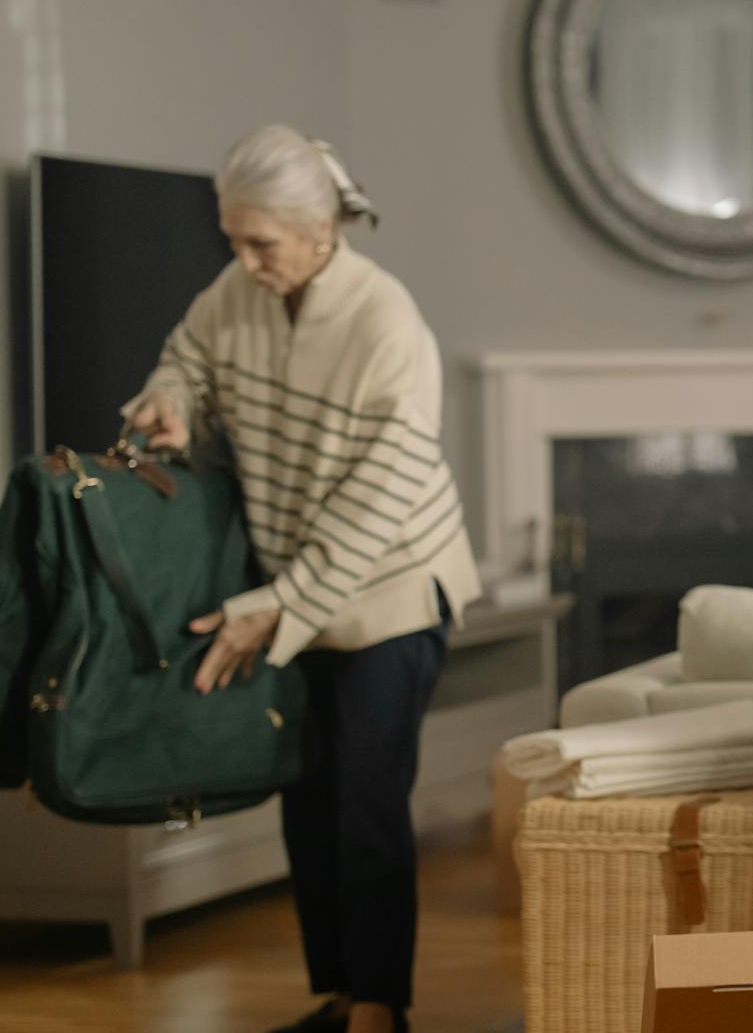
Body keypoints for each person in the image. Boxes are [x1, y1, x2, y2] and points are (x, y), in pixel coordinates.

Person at [124, 124, 481, 1033]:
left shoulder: (387, 323)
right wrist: (173, 397)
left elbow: (377, 505)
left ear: (322, 231)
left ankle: (380, 1009)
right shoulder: (239, 290)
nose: (243, 262)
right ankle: (338, 993)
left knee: (366, 798)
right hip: (296, 589)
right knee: (306, 797)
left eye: (261, 244)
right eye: (233, 241)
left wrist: (276, 609)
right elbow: (190, 355)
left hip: (392, 590)